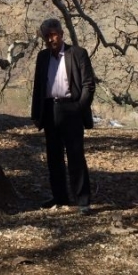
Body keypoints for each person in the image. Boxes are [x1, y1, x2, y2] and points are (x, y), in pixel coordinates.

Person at [30, 18, 95, 215]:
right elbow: (38, 87)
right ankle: (59, 196)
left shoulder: (77, 53)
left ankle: (83, 200)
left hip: (71, 109)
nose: (51, 39)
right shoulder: (42, 57)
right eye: (47, 36)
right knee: (53, 157)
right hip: (50, 110)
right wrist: (36, 113)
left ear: (61, 33)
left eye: (53, 34)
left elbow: (88, 85)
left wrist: (79, 108)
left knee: (76, 156)